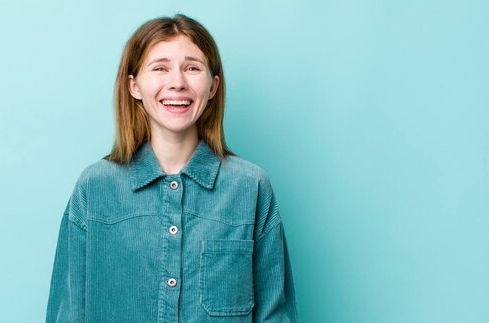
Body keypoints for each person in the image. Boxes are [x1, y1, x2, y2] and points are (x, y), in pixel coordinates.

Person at [46, 14, 300, 323]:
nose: (177, 82)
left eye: (192, 68)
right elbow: (67, 313)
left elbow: (275, 314)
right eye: (160, 68)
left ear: (213, 86)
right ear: (134, 85)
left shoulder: (251, 187)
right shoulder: (95, 188)